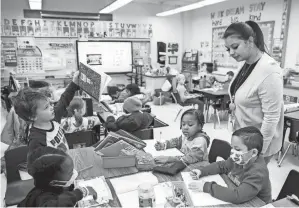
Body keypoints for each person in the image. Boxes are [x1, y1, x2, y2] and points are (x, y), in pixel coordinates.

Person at [224, 21, 283, 164]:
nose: (231, 53)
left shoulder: (269, 71)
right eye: (228, 49)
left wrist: (258, 152)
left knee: (253, 181)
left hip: (258, 144)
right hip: (243, 139)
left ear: (250, 41)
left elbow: (271, 117)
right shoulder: (247, 64)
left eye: (235, 47)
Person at [189, 126, 271, 204]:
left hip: (257, 204)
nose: (233, 152)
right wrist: (202, 171)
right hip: (236, 189)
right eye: (232, 148)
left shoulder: (257, 172)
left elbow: (237, 196)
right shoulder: (239, 159)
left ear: (253, 152)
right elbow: (222, 166)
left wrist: (206, 186)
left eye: (237, 149)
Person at [13, 71, 80, 157]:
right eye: (46, 107)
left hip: (66, 162)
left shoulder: (53, 117)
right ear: (33, 116)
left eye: (50, 104)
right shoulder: (36, 140)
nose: (52, 107)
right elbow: (35, 165)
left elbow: (63, 100)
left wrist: (74, 83)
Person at [18, 147, 97, 207]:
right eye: (70, 172)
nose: (74, 173)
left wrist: (72, 188)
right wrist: (81, 192)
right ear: (54, 182)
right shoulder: (42, 199)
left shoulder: (51, 185)